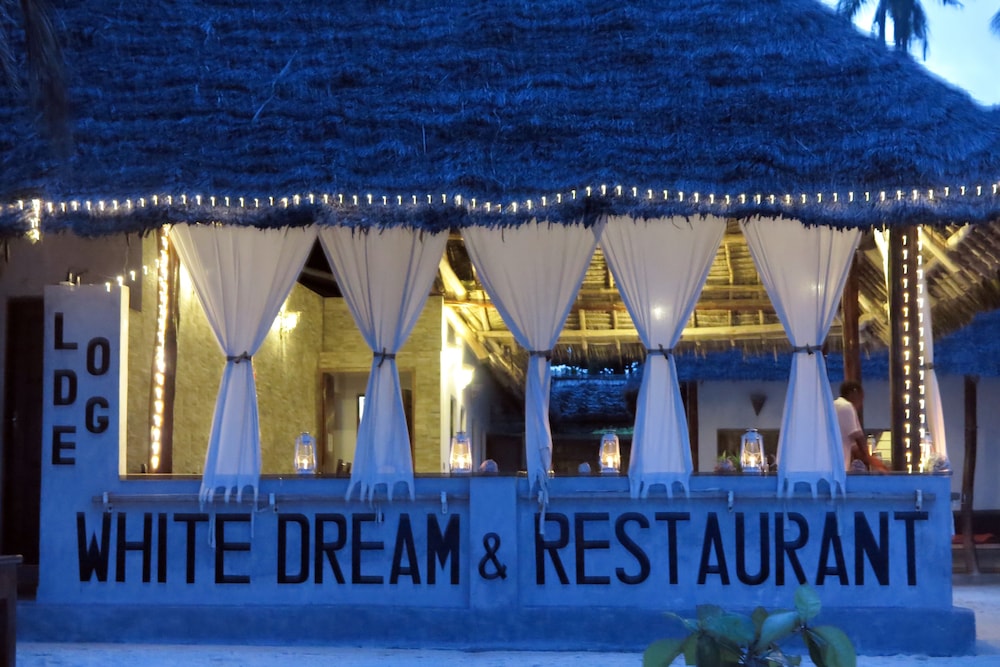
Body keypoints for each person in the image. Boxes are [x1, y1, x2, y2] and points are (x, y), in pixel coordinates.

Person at [834, 381, 888, 472]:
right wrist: (873, 461)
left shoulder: (834, 406)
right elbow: (859, 439)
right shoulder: (846, 407)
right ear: (855, 393)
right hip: (839, 468)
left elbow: (854, 448)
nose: (860, 404)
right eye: (861, 398)